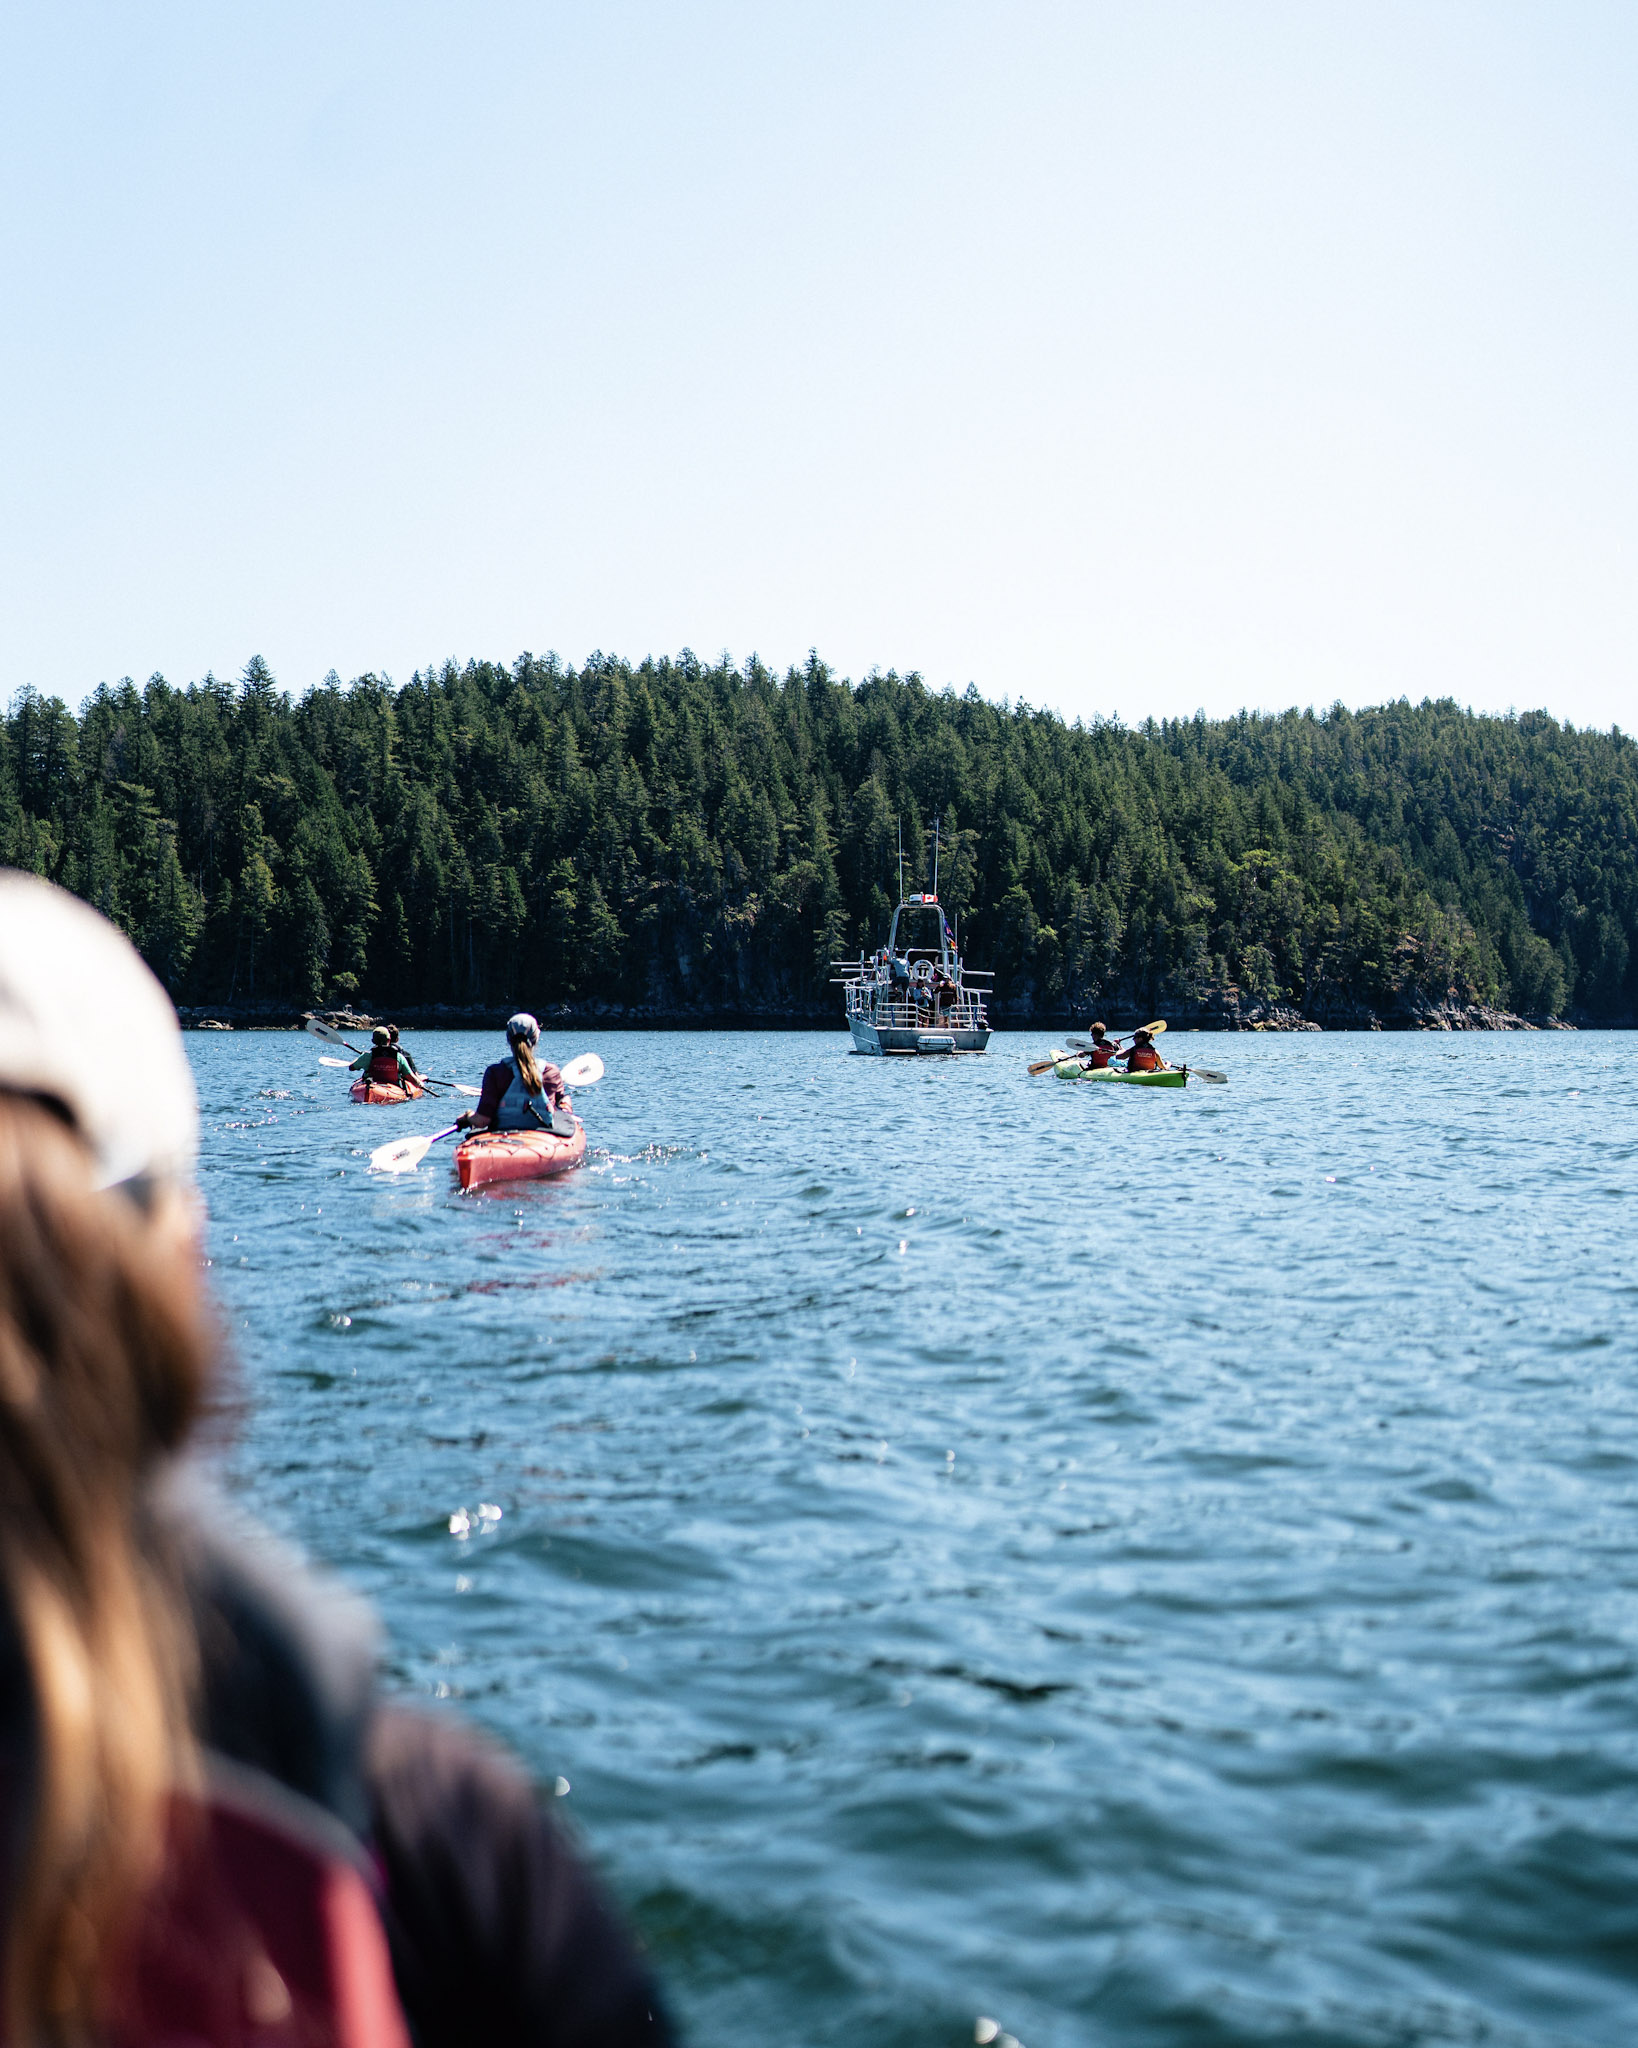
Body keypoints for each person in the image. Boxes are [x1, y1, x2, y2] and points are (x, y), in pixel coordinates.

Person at [0, 872, 670, 2046]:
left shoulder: (523, 1079)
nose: (518, 1045)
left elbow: (520, 1118)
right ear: (181, 1268)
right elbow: (506, 1122)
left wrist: (517, 1122)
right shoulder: (444, 1832)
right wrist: (509, 1130)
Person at [457, 1013, 570, 1134]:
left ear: (508, 1040)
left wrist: (467, 1117)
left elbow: (482, 1121)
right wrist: (566, 1103)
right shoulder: (551, 1071)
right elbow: (562, 1109)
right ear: (536, 1038)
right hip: (543, 1137)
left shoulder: (495, 1072)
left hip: (502, 1136)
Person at [350, 1026, 421, 1095]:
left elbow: (351, 1067)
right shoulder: (398, 1057)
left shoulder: (366, 1056)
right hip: (394, 1087)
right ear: (389, 1040)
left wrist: (360, 1057)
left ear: (373, 1041)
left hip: (372, 1084)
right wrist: (420, 1084)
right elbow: (411, 1078)